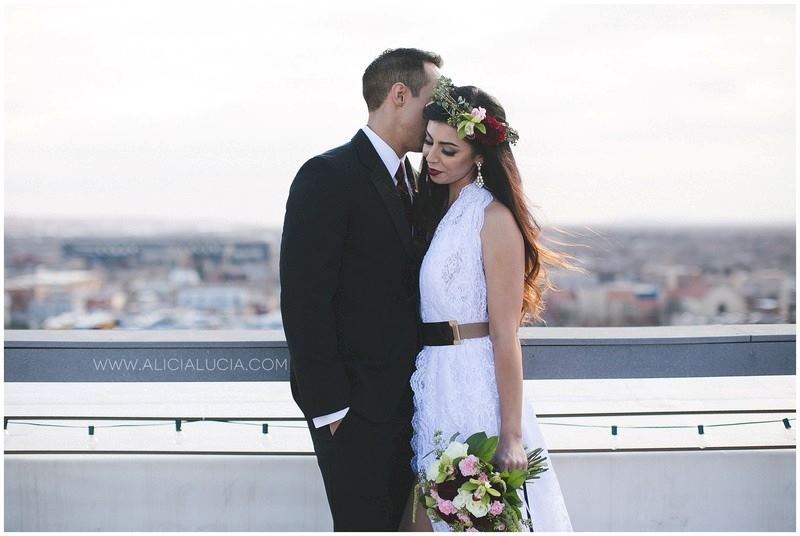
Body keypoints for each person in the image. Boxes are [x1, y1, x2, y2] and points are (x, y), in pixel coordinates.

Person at [398, 78, 579, 531]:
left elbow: (504, 333)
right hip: (433, 378)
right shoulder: (434, 211)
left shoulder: (492, 218)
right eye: (428, 143)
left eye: (449, 150)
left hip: (473, 383)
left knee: (471, 518)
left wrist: (511, 435)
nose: (432, 157)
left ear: (478, 156)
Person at [279, 48, 442, 531]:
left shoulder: (417, 181)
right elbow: (304, 300)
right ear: (399, 95)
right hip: (354, 415)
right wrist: (333, 411)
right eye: (432, 102)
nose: (439, 116)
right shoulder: (328, 174)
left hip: (412, 406)